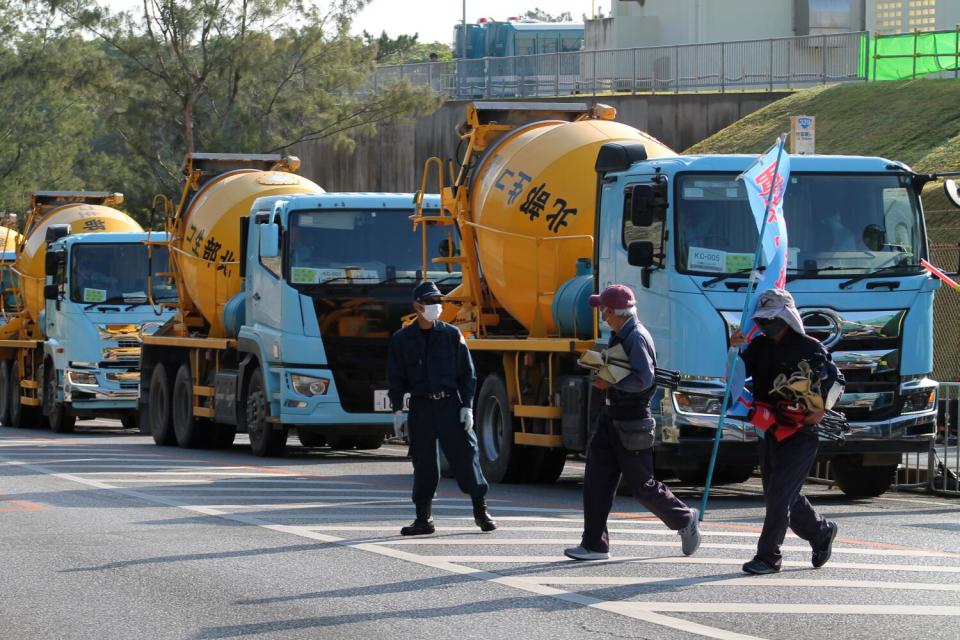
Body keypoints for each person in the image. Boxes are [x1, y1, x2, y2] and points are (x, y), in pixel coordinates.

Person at [565, 285, 701, 561]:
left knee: (642, 485)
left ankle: (684, 519)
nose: (602, 316)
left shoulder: (636, 336)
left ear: (616, 312)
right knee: (595, 480)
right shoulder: (621, 332)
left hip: (632, 418)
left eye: (604, 310)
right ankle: (594, 544)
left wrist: (610, 380)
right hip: (611, 416)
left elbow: (643, 379)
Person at [734, 288, 843, 575]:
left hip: (801, 432)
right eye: (765, 319)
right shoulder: (756, 346)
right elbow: (733, 374)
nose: (769, 324)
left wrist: (820, 409)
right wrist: (733, 347)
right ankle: (821, 532)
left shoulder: (811, 347)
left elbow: (834, 384)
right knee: (779, 495)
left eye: (774, 318)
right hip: (769, 428)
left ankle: (768, 557)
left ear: (788, 317)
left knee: (780, 496)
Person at [387, 281, 496, 536]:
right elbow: (395, 376)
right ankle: (423, 519)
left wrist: (467, 406)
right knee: (424, 463)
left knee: (466, 457)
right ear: (417, 305)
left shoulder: (451, 334)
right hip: (421, 406)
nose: (436, 306)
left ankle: (481, 512)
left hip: (450, 404)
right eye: (430, 302)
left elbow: (466, 373)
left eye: (439, 301)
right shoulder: (402, 339)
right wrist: (397, 410)